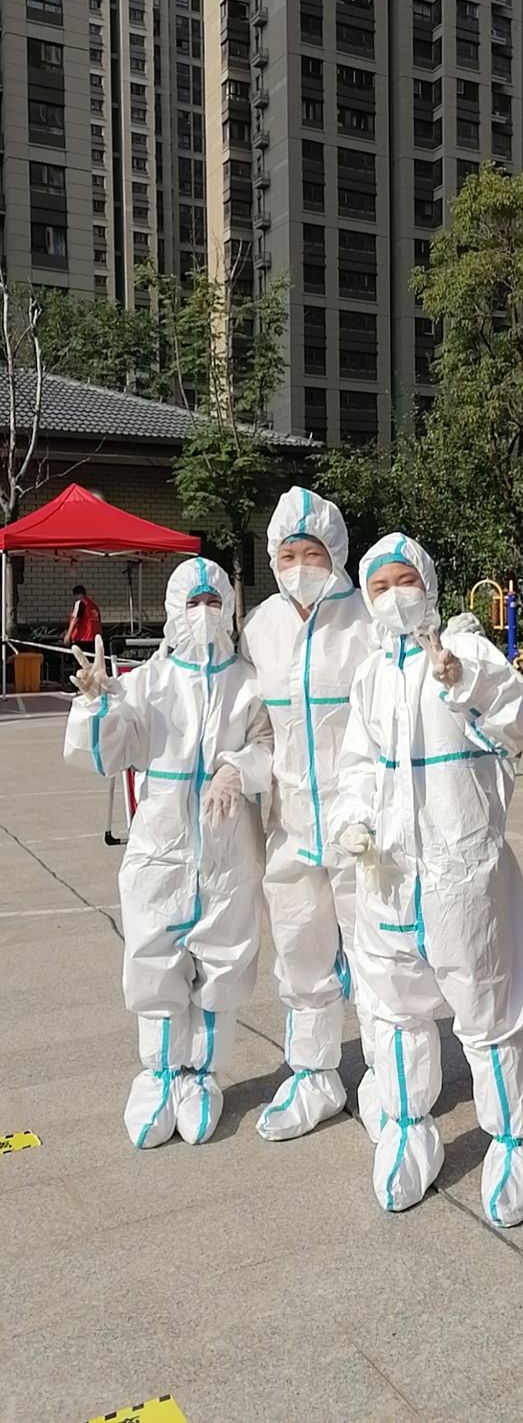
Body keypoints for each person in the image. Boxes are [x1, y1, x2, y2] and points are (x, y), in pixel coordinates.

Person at [330, 532, 523, 1228]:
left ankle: (514, 1145)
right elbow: (357, 763)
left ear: (426, 582)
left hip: (461, 876)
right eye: (379, 586)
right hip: (388, 877)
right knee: (397, 1013)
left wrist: (461, 681)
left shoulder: (468, 652)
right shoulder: (369, 676)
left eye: (404, 580)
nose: (394, 595)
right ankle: (406, 1132)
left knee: (487, 1012)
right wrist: (353, 818)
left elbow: (514, 719)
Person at [64, 557, 273, 1149]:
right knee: (154, 956)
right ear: (174, 610)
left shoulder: (248, 681)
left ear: (228, 610)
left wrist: (236, 769)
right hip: (162, 846)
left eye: (214, 603)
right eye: (193, 603)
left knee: (223, 960)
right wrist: (96, 704)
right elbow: (107, 756)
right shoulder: (147, 682)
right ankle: (158, 1076)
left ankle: (202, 1076)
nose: (204, 614)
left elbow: (268, 744)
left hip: (229, 847)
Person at [241, 486, 375, 1140]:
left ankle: (390, 1076)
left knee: (378, 952)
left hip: (362, 827)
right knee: (300, 951)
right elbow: (254, 727)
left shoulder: (368, 618)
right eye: (287, 553)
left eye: (312, 551)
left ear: (336, 552)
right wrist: (236, 770)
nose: (298, 565)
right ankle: (314, 1074)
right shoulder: (259, 627)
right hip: (291, 822)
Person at [63, 583, 102, 651]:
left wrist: (68, 635)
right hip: (94, 639)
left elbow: (75, 619)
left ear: (76, 595)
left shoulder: (80, 603)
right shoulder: (93, 606)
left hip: (82, 638)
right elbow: (98, 622)